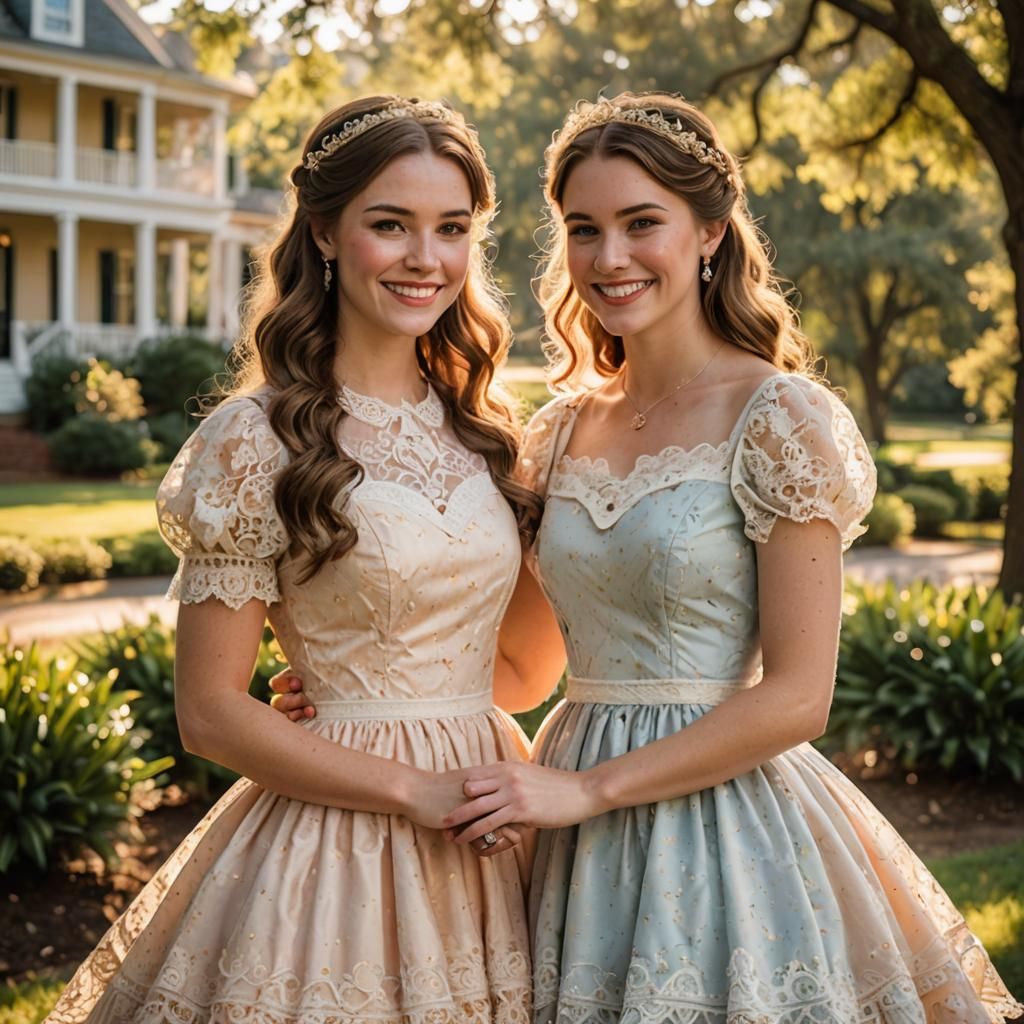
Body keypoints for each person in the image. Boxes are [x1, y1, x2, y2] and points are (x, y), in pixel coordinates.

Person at [274, 93, 1021, 1023]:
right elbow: (521, 671)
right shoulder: (554, 434)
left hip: (718, 817)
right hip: (569, 833)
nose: (610, 258)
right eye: (583, 229)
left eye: (641, 224)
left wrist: (589, 790)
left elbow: (799, 697)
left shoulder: (781, 419)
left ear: (709, 232)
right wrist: (361, 682)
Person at [45, 95, 561, 1024]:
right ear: (325, 232)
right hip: (341, 837)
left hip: (489, 821)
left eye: (451, 229)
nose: (424, 258)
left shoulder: (486, 430)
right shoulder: (255, 439)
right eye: (389, 225)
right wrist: (406, 775)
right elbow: (208, 713)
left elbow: (523, 674)